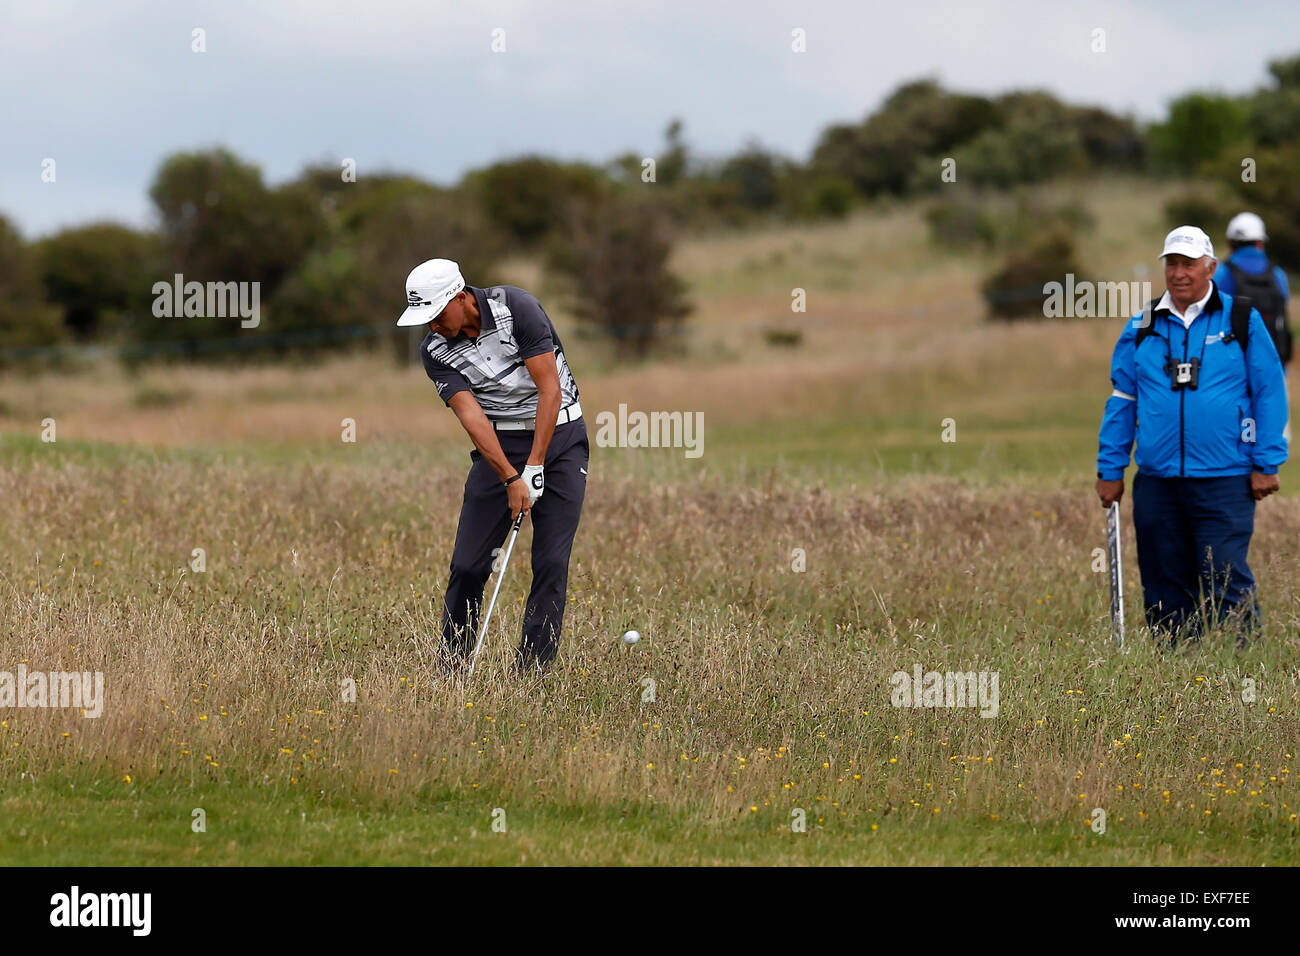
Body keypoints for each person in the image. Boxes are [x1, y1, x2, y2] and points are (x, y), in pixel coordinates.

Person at [1095, 226, 1288, 645]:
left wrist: (1266, 462)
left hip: (1225, 479)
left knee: (1225, 575)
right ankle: (1178, 672)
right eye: (1172, 264)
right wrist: (1110, 467)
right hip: (1157, 481)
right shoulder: (1142, 323)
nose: (1179, 273)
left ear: (1211, 268)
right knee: (1164, 581)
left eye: (1189, 264)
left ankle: (1242, 666)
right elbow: (1123, 398)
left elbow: (1269, 391)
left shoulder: (1241, 318)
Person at [396, 258, 588, 674]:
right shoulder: (434, 351)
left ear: (460, 297)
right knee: (468, 564)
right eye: (424, 319)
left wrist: (536, 464)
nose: (431, 326)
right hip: (499, 443)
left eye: (436, 315)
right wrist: (509, 476)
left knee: (551, 562)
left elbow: (549, 388)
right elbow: (471, 417)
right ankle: (452, 667)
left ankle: (532, 672)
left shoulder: (518, 308)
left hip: (559, 436)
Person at [1213, 212, 1291, 371]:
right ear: (1260, 242)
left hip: (1233, 365)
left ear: (1230, 242)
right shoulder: (1278, 275)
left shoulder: (1221, 273)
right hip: (1274, 363)